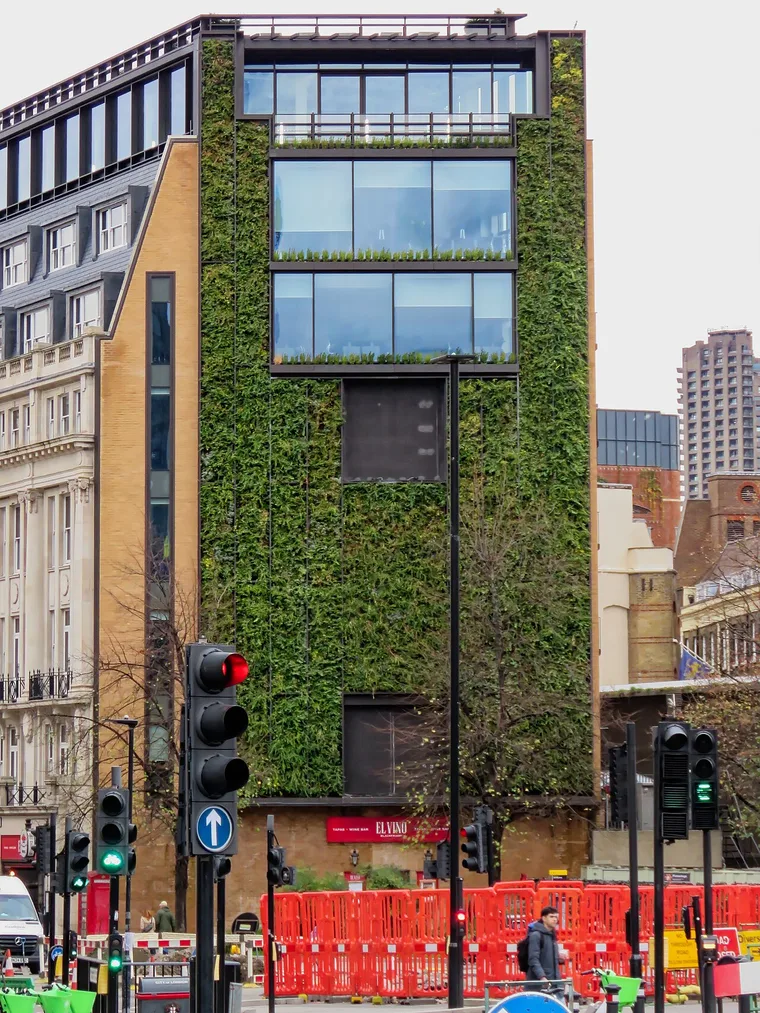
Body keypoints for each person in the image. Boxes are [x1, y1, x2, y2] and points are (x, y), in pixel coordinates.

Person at [526, 906, 564, 993]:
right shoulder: (536, 935)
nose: (555, 919)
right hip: (540, 985)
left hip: (554, 983)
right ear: (543, 918)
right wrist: (542, 977)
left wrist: (559, 957)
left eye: (556, 917)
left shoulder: (552, 935)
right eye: (551, 917)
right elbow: (533, 959)